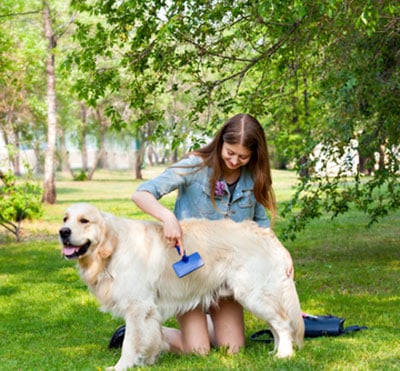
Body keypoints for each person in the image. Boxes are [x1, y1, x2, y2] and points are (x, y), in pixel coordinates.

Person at [131, 113, 290, 355]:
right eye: (230, 153)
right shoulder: (194, 166)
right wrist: (168, 218)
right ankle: (142, 332)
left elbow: (262, 227)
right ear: (220, 142)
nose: (235, 160)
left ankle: (205, 327)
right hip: (191, 274)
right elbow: (141, 193)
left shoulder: (253, 177)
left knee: (232, 348)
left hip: (227, 273)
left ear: (254, 155)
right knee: (198, 350)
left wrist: (283, 253)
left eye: (243, 156)